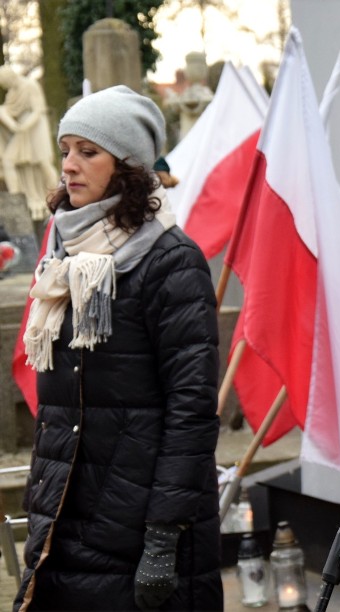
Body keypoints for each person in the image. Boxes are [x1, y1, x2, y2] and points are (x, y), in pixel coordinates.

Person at [13, 85, 223, 611]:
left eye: (89, 152)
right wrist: (40, 508)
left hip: (139, 531)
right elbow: (60, 410)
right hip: (65, 522)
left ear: (126, 164)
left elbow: (192, 411)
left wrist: (162, 539)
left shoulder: (172, 262)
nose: (69, 166)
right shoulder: (63, 255)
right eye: (65, 150)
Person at [0, 65, 59, 221]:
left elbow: (38, 110)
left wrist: (24, 127)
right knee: (10, 161)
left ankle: (55, 196)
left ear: (10, 77)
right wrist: (15, 127)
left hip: (35, 128)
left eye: (4, 82)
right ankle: (18, 201)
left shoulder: (30, 85)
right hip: (21, 130)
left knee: (43, 163)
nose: (5, 86)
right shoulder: (11, 93)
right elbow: (6, 111)